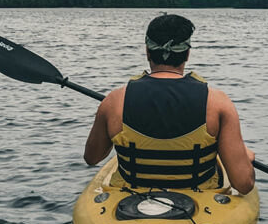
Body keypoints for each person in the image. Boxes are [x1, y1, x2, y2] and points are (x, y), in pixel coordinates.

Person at [84, 14, 256, 194]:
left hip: (127, 201)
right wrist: (243, 156)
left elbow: (92, 157)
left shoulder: (113, 101)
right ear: (187, 54)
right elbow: (243, 184)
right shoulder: (218, 103)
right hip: (201, 202)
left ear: (147, 52)